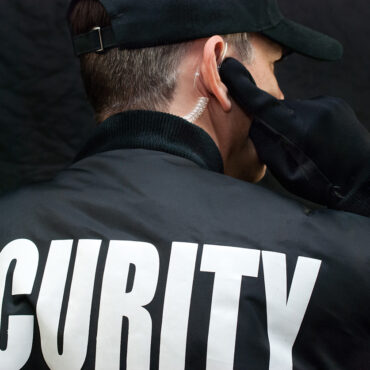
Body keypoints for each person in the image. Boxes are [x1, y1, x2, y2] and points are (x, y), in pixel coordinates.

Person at [0, 0, 368, 369]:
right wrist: (361, 186)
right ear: (217, 66)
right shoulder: (328, 261)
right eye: (272, 65)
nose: (281, 95)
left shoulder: (8, 233)